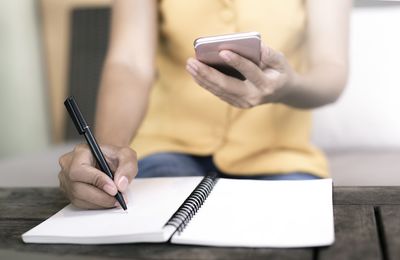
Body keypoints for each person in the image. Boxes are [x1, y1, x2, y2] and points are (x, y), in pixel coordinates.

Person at [58, 0, 350, 209]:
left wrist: (289, 87)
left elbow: (331, 71)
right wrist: (109, 152)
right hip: (168, 146)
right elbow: (130, 63)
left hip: (280, 154)